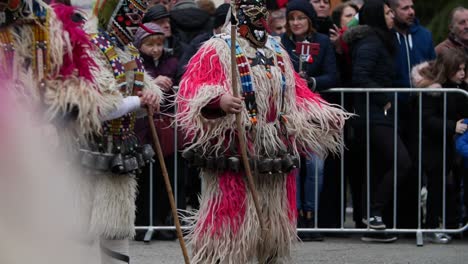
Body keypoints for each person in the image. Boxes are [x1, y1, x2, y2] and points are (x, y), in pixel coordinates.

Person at [176, 0, 349, 262]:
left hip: (273, 152)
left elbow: (296, 94)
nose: (256, 15)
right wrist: (218, 101)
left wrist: (324, 115)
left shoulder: (276, 49)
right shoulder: (218, 48)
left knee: (270, 234)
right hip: (235, 151)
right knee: (230, 234)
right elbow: (192, 91)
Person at [86, 0, 162, 262]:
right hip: (87, 149)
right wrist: (138, 102)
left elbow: (142, 91)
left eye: (137, 17)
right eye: (128, 15)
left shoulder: (129, 50)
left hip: (121, 149)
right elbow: (99, 106)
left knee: (115, 224)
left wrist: (150, 98)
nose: (132, 22)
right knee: (79, 228)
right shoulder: (92, 46)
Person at [343, 0, 411, 242]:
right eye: (387, 12)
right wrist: (384, 99)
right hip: (374, 115)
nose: (392, 15)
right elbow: (360, 77)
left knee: (381, 166)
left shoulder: (381, 40)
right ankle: (374, 213)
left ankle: (373, 220)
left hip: (379, 115)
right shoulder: (371, 42)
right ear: (375, 16)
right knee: (402, 162)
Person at [281, 0, 338, 240]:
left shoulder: (322, 42)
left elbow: (333, 76)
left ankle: (310, 216)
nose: (296, 23)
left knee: (316, 166)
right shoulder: (281, 43)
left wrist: (311, 82)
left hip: (314, 113)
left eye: (301, 18)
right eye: (292, 18)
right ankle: (291, 217)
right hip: (288, 112)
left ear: (309, 20)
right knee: (291, 165)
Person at [412, 48, 468, 244]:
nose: (462, 73)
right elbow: (427, 120)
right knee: (433, 188)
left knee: (442, 187)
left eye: (464, 69)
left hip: (444, 145)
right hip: (430, 146)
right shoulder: (433, 89)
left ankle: (441, 225)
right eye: (458, 69)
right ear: (448, 69)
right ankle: (430, 226)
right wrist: (453, 126)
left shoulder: (457, 87)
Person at [132, 22, 182, 240]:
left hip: (166, 127)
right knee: (144, 178)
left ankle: (162, 221)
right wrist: (152, 81)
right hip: (142, 129)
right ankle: (144, 222)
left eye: (159, 44)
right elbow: (134, 82)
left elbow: (181, 81)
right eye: (150, 44)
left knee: (166, 178)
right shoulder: (135, 63)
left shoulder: (171, 61)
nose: (155, 49)